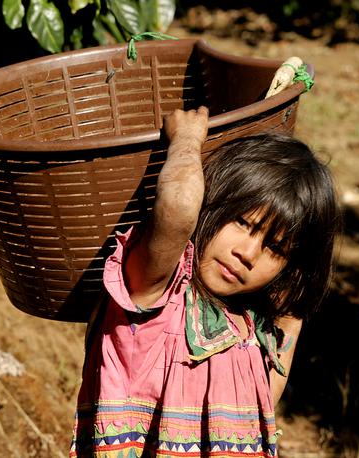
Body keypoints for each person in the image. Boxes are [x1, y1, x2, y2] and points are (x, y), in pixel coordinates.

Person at [70, 107, 340, 457]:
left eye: (273, 247)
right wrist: (185, 141)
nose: (248, 253)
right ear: (209, 202)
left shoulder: (252, 337)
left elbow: (288, 326)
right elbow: (178, 211)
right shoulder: (154, 293)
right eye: (243, 222)